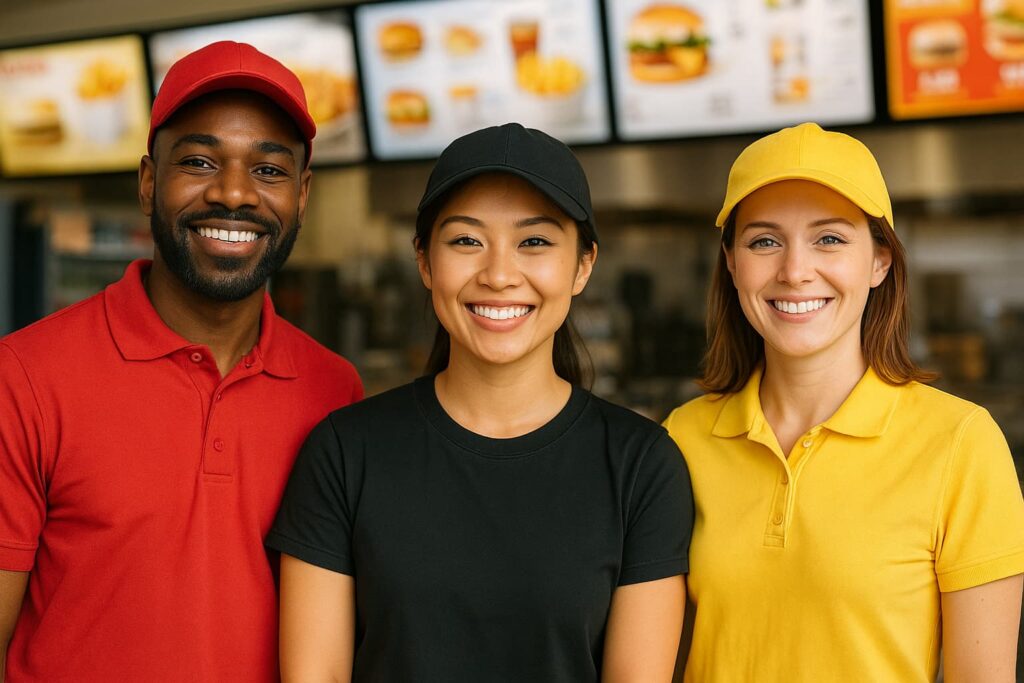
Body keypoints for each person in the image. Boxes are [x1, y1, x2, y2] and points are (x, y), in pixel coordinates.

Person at [265, 123, 694, 682]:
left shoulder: (642, 467)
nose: (498, 275)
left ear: (583, 265)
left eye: (534, 242)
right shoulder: (345, 452)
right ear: (424, 261)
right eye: (466, 240)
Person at [0, 41, 362, 682]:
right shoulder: (23, 377)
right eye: (198, 161)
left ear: (303, 196)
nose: (234, 194)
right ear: (148, 182)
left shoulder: (335, 390)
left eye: (270, 171)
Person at [664, 122, 1024, 682]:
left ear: (879, 262)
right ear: (732, 263)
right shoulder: (681, 438)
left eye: (829, 238)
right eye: (764, 240)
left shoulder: (960, 443)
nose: (795, 271)